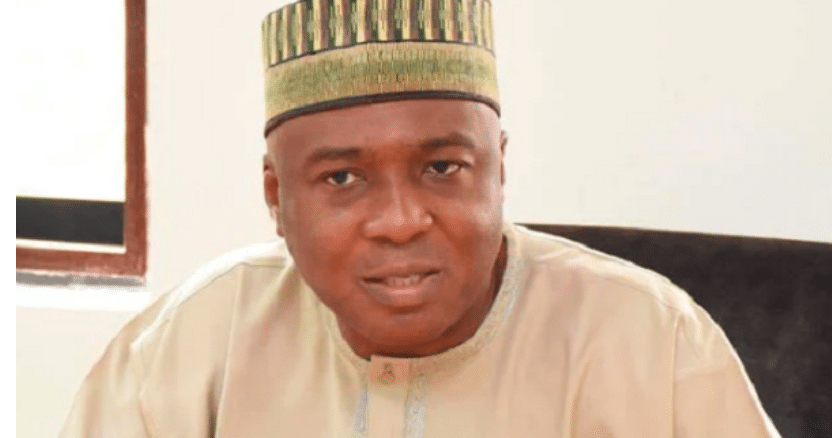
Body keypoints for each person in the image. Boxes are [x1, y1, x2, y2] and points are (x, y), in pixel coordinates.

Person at [60, 0, 781, 436]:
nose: (401, 221)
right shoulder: (195, 339)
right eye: (342, 178)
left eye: (442, 168)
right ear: (276, 199)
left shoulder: (652, 342)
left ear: (499, 169)